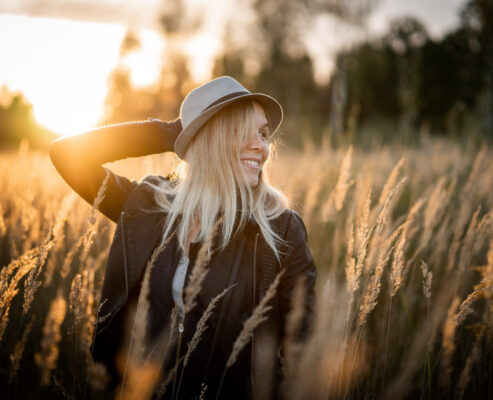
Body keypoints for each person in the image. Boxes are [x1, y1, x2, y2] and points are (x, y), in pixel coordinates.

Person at [50, 76, 317, 399]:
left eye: (263, 134)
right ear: (209, 137)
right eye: (244, 131)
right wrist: (171, 133)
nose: (262, 146)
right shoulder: (148, 206)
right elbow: (67, 153)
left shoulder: (280, 229)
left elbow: (304, 346)